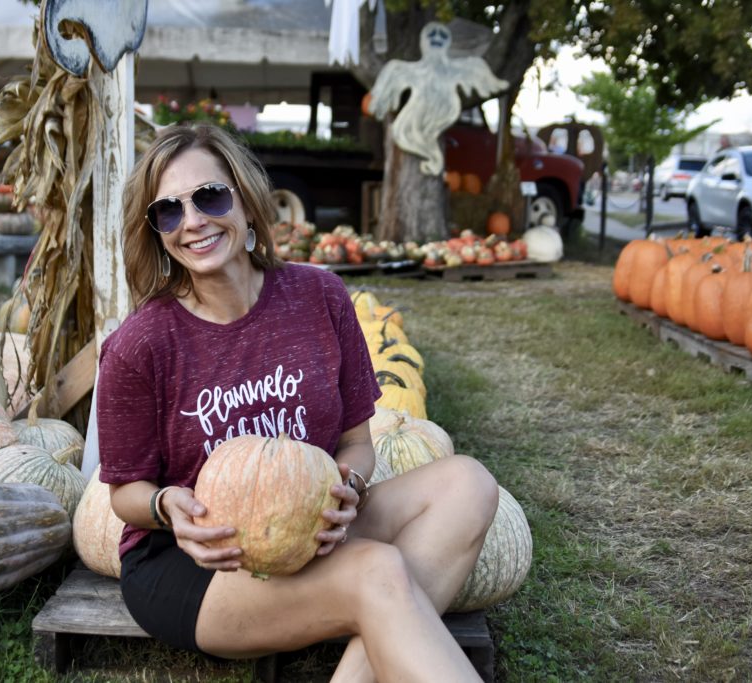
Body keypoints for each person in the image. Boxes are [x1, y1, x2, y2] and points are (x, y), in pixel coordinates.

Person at [96, 122, 499, 682]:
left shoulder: (321, 297)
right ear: (156, 231)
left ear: (247, 198)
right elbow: (124, 492)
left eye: (210, 196)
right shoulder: (140, 345)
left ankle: (374, 643)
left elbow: (358, 443)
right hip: (197, 563)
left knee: (469, 483)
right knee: (378, 570)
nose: (192, 222)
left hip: (306, 527)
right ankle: (382, 611)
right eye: (168, 211)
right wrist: (168, 507)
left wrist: (349, 490)